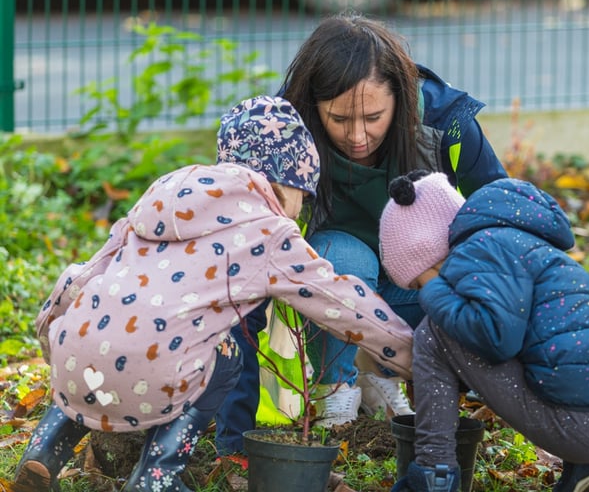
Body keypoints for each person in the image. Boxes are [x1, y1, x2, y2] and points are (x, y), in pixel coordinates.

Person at [11, 95, 413, 492]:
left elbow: (79, 277)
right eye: (303, 197)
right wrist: (412, 354)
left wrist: (52, 336)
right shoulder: (269, 229)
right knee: (225, 348)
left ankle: (42, 452)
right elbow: (342, 304)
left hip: (74, 360)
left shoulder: (165, 192)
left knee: (95, 341)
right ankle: (157, 476)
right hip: (154, 374)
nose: (299, 211)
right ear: (287, 181)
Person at [214, 12, 508, 450]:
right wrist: (233, 439)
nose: (357, 136)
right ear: (313, 106)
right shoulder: (281, 140)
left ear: (401, 98)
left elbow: (504, 221)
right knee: (346, 255)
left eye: (373, 117)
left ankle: (383, 380)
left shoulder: (446, 124)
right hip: (329, 286)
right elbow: (242, 282)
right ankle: (338, 392)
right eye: (338, 118)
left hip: (420, 286)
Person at [379, 171, 589, 492]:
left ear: (431, 252)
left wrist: (433, 294)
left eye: (417, 281)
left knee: (433, 332)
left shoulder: (478, 251)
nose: (420, 291)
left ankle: (433, 474)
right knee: (553, 353)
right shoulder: (524, 246)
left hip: (581, 427)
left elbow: (495, 338)